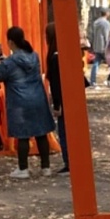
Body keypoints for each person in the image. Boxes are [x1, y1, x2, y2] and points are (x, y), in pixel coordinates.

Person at [0, 26, 55, 179]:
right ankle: (46, 167)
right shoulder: (34, 56)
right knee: (41, 133)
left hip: (20, 101)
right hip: (38, 98)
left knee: (23, 135)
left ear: (10, 42)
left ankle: (23, 169)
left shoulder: (11, 61)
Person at [45, 23, 70, 175]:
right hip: (71, 98)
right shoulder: (65, 53)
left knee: (64, 132)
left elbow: (56, 84)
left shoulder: (55, 57)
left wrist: (57, 105)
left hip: (63, 100)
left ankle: (69, 163)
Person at [87, 8, 110, 88]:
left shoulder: (96, 22)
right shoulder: (106, 23)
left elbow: (92, 34)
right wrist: (108, 46)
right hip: (104, 46)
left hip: (97, 45)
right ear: (106, 13)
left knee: (96, 64)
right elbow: (106, 35)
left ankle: (93, 81)